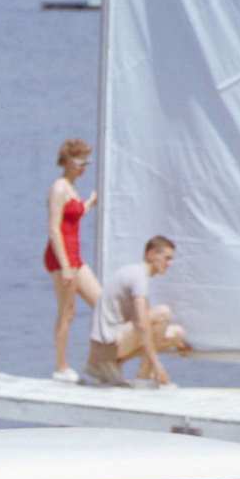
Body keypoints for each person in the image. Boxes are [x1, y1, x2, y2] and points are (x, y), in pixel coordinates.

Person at [85, 235, 191, 388]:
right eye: (167, 258)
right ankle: (143, 376)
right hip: (107, 345)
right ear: (151, 255)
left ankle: (114, 366)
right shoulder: (138, 276)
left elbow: (145, 319)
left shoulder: (138, 275)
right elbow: (142, 324)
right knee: (163, 313)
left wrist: (180, 344)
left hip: (113, 342)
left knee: (176, 334)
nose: (169, 263)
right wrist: (157, 364)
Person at [45, 138, 101, 383]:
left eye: (87, 162)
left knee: (102, 303)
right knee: (67, 312)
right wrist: (66, 267)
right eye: (80, 162)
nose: (84, 167)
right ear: (67, 161)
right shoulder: (59, 189)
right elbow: (54, 229)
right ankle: (61, 368)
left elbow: (73, 216)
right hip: (61, 257)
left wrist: (89, 203)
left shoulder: (71, 187)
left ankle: (95, 362)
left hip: (75, 255)